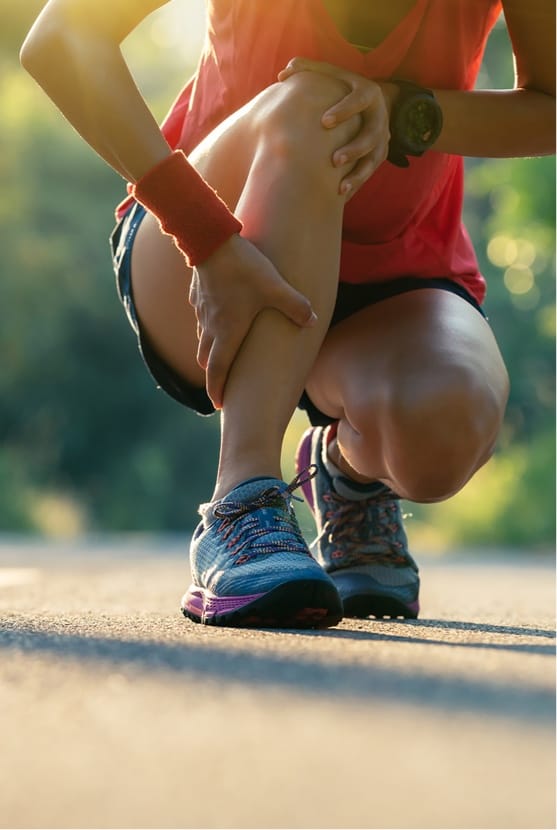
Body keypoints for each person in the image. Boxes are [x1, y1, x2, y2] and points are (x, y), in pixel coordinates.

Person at [20, 0, 555, 628]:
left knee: (448, 419)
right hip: (207, 243)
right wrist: (207, 236)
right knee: (315, 104)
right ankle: (241, 501)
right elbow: (59, 37)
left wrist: (401, 108)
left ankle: (349, 478)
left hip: (394, 273)